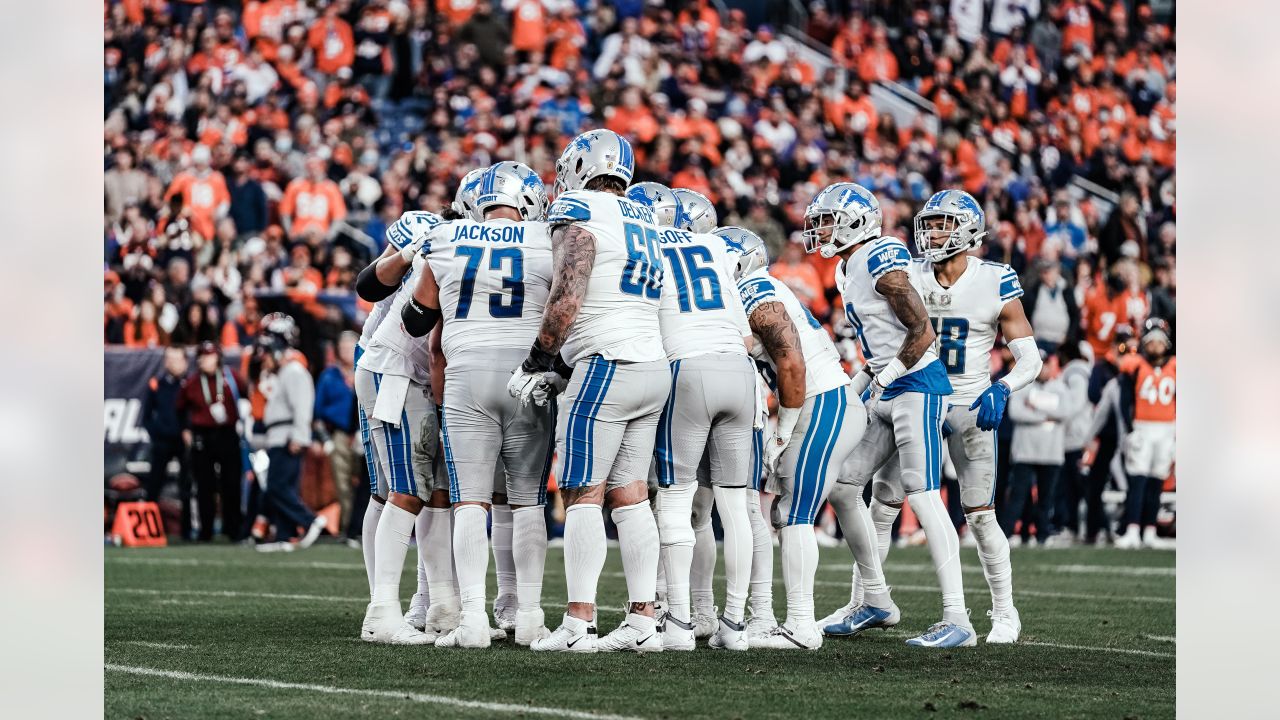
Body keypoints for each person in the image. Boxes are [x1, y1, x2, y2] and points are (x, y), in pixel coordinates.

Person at [823, 189, 1041, 644]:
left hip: (967, 404)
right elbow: (887, 336)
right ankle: (867, 600)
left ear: (969, 231)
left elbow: (1030, 359)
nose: (933, 232)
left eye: (944, 224)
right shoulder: (908, 273)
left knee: (979, 514)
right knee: (881, 503)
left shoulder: (995, 279)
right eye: (930, 223)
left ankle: (1004, 612)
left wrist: (1003, 386)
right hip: (911, 395)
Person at [507, 129, 668, 653]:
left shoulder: (579, 208)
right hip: (651, 362)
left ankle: (579, 622)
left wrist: (540, 357)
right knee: (631, 496)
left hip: (606, 359)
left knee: (581, 492)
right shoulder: (644, 215)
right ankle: (644, 620)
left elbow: (567, 292)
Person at [804, 182, 973, 649]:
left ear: (856, 221)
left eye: (829, 220)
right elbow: (876, 346)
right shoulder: (847, 267)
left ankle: (958, 617)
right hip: (886, 382)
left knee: (921, 492)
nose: (820, 229)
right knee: (843, 485)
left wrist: (884, 379)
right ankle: (874, 600)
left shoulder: (881, 257)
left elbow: (922, 331)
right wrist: (858, 387)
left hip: (918, 384)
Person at [402, 161, 555, 648]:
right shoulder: (545, 239)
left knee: (471, 500)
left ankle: (471, 619)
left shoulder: (445, 238)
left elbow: (415, 317)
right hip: (526, 374)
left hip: (468, 373)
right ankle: (529, 614)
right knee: (528, 500)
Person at [722, 225, 865, 651]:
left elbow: (791, 363)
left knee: (797, 514)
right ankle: (777, 617)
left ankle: (802, 626)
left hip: (820, 403)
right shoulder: (759, 289)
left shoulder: (753, 290)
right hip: (820, 402)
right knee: (786, 514)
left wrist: (782, 429)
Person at [633, 184, 755, 651]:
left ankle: (680, 624)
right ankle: (735, 627)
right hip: (738, 370)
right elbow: (745, 337)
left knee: (676, 499)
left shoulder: (642, 247)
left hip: (687, 366)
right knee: (735, 505)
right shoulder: (713, 245)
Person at [354, 209, 449, 644]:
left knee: (429, 492)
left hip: (414, 370)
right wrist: (412, 251)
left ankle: (423, 602)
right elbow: (369, 284)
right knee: (396, 491)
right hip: (392, 366)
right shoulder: (430, 232)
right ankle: (382, 605)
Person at [253, 315, 327, 551]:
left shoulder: (294, 370)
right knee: (281, 486)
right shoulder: (285, 372)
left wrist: (299, 436)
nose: (264, 357)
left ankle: (310, 520)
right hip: (279, 435)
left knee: (276, 486)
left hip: (287, 436)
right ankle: (284, 536)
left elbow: (303, 407)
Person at [1111, 318, 1176, 549]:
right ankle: (1132, 529)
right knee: (1137, 480)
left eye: (1159, 341)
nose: (1155, 345)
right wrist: (1129, 428)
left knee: (1157, 480)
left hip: (1167, 428)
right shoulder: (1135, 365)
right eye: (1151, 341)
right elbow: (1124, 400)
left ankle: (1149, 530)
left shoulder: (1176, 366)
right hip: (1142, 427)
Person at [1002, 350, 1078, 545]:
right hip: (1025, 451)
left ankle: (1042, 535)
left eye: (1045, 363)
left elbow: (1066, 412)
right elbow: (1016, 412)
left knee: (1047, 498)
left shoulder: (1060, 387)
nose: (1043, 368)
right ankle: (1008, 534)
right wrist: (1046, 415)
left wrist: (1034, 408)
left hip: (1051, 452)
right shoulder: (1022, 386)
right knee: (1018, 497)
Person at [176, 342, 248, 542]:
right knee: (204, 485)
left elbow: (246, 394)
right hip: (203, 435)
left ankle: (233, 528)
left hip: (227, 433)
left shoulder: (230, 377)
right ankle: (205, 530)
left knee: (231, 482)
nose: (204, 360)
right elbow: (180, 408)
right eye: (202, 357)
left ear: (217, 358)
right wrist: (186, 430)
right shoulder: (192, 382)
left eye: (209, 356)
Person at [142, 346, 191, 538]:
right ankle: (147, 528)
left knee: (186, 486)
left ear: (185, 361)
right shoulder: (157, 384)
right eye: (169, 358)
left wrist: (189, 432)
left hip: (183, 441)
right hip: (163, 441)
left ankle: (187, 531)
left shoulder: (191, 384)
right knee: (154, 484)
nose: (172, 363)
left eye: (177, 359)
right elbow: (146, 416)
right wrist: (157, 434)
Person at [314, 331, 360, 534]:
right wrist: (324, 439)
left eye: (351, 347)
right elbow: (316, 413)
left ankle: (361, 527)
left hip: (365, 432)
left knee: (368, 484)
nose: (346, 351)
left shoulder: (366, 370)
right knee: (342, 484)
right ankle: (348, 527)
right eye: (343, 347)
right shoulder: (329, 376)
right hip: (339, 434)